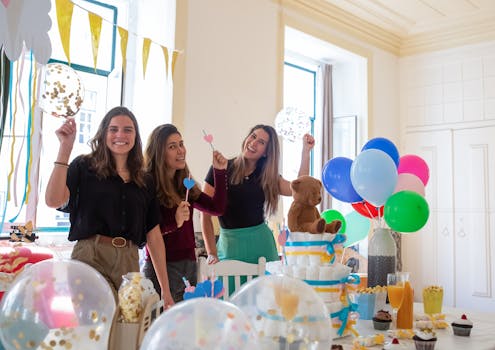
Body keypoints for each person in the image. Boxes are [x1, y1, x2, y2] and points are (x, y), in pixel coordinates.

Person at [45, 106, 174, 309]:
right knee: (96, 325)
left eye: (127, 130)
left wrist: (165, 290)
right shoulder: (84, 166)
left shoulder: (145, 180)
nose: (120, 135)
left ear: (135, 136)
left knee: (127, 330)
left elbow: (154, 237)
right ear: (104, 133)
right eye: (113, 129)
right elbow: (53, 200)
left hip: (129, 260)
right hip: (90, 254)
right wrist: (65, 148)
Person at [201, 124, 315, 264]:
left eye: (261, 142)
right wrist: (212, 253)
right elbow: (204, 215)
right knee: (229, 286)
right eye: (253, 136)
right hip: (229, 247)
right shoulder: (220, 169)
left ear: (266, 152)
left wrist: (305, 153)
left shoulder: (267, 176)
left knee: (265, 286)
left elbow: (299, 189)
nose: (253, 143)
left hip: (261, 247)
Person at [142, 124, 228, 302]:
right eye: (172, 146)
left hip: (189, 265)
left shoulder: (185, 183)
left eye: (181, 144)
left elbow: (217, 208)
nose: (181, 150)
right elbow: (146, 233)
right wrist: (175, 222)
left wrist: (219, 172)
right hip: (162, 269)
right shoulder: (147, 184)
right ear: (159, 152)